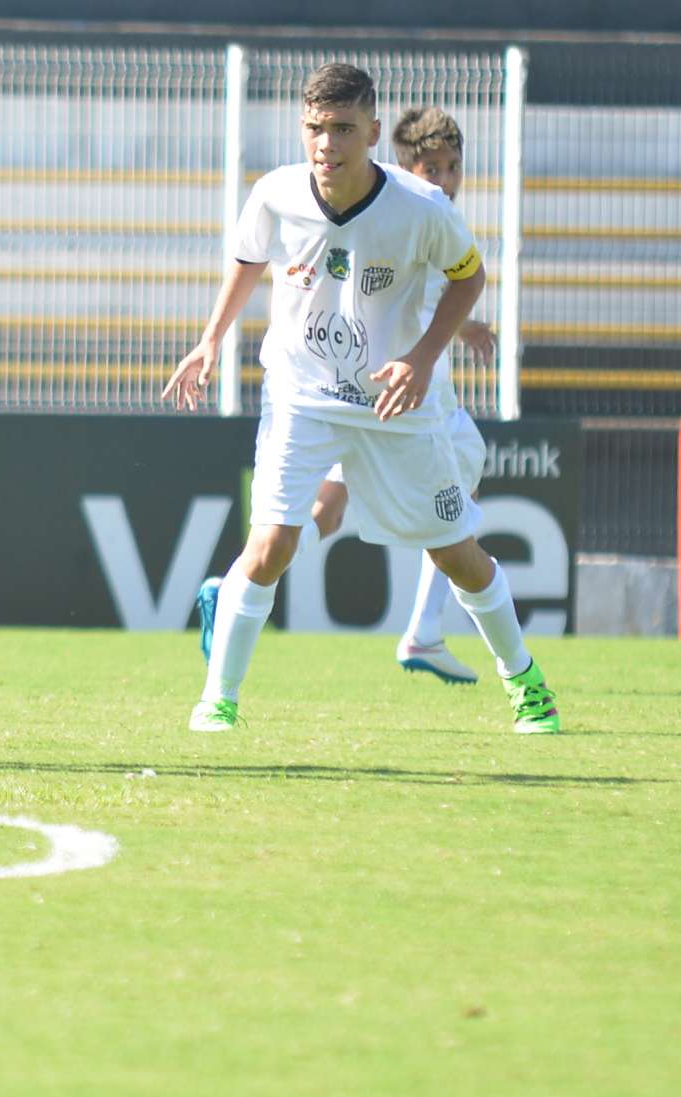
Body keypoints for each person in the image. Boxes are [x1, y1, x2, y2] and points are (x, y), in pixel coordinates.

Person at [165, 62, 560, 735]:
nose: (326, 144)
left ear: (373, 132)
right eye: (315, 128)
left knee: (456, 554)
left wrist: (423, 357)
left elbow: (471, 278)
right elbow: (247, 256)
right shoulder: (277, 193)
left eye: (343, 128)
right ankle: (218, 699)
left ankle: (525, 682)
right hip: (303, 394)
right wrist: (209, 342)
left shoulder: (420, 208)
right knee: (269, 545)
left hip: (395, 408)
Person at [201, 106, 499, 685]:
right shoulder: (410, 209)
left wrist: (465, 329)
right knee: (451, 518)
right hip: (399, 398)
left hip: (353, 387)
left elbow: (423, 296)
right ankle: (423, 631)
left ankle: (242, 581)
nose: (444, 178)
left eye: (454, 166)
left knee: (327, 512)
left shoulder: (421, 214)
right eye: (432, 166)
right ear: (405, 166)